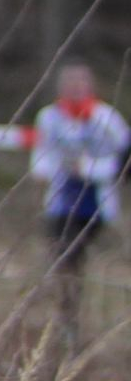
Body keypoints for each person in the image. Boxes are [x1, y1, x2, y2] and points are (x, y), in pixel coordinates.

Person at [29, 58, 129, 337]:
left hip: (98, 204)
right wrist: (46, 172)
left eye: (80, 81)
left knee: (89, 259)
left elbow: (123, 162)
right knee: (64, 260)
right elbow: (41, 158)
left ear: (90, 85)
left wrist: (89, 169)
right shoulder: (49, 118)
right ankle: (66, 322)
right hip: (60, 203)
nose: (75, 87)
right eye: (69, 82)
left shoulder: (107, 118)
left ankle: (102, 322)